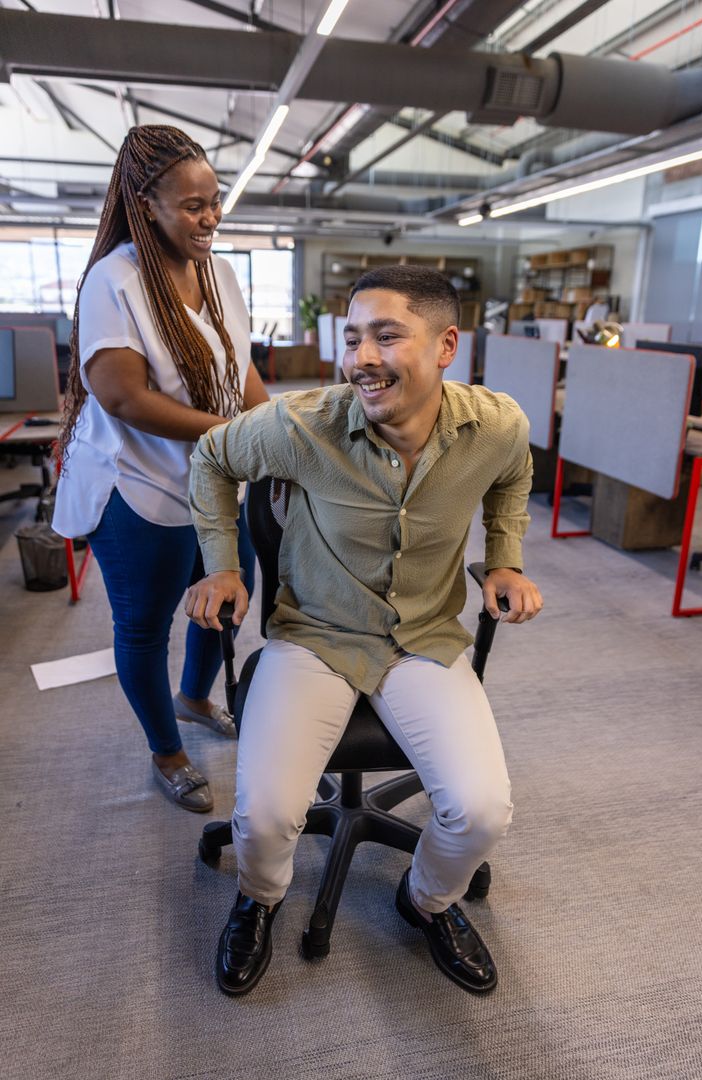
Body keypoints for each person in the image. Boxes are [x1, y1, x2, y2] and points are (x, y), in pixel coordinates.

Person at [186, 265, 543, 996]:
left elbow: (513, 475)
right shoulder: (304, 423)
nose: (361, 358)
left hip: (424, 639)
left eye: (387, 336)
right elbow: (211, 459)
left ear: (446, 345)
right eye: (353, 338)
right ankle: (259, 898)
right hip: (314, 637)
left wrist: (504, 559)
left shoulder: (496, 425)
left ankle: (425, 902)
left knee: (481, 812)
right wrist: (224, 567)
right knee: (263, 820)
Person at [53, 125, 268, 813]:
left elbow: (242, 368)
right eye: (193, 206)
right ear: (146, 204)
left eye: (215, 201)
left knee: (227, 598)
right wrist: (236, 434)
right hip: (139, 487)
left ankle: (195, 696)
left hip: (215, 482)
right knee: (144, 626)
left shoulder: (219, 272)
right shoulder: (112, 281)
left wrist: (277, 428)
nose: (211, 217)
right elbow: (122, 395)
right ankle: (166, 751)